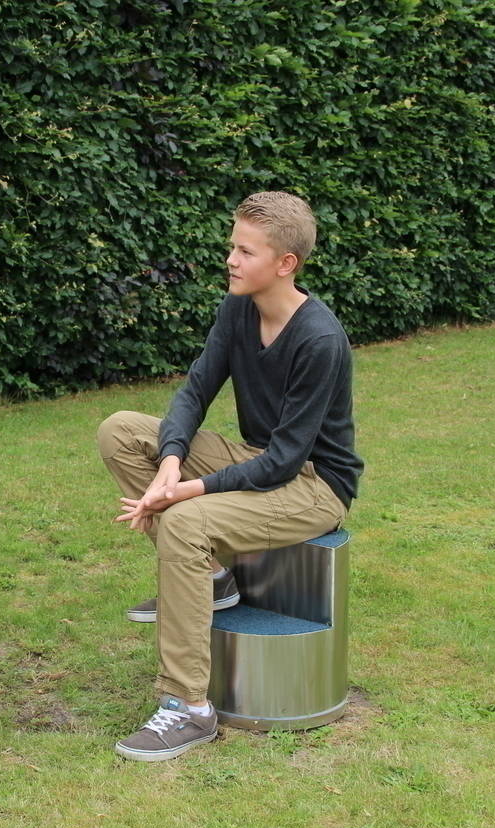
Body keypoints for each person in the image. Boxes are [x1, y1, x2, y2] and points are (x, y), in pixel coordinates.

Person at [97, 191, 363, 761]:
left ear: (285, 263)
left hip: (314, 484)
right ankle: (215, 579)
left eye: (245, 251)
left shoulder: (319, 339)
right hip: (257, 455)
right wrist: (171, 459)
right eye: (232, 247)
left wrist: (184, 491)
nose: (231, 260)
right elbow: (195, 391)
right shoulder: (237, 309)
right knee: (121, 430)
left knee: (185, 522)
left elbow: (285, 461)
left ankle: (188, 708)